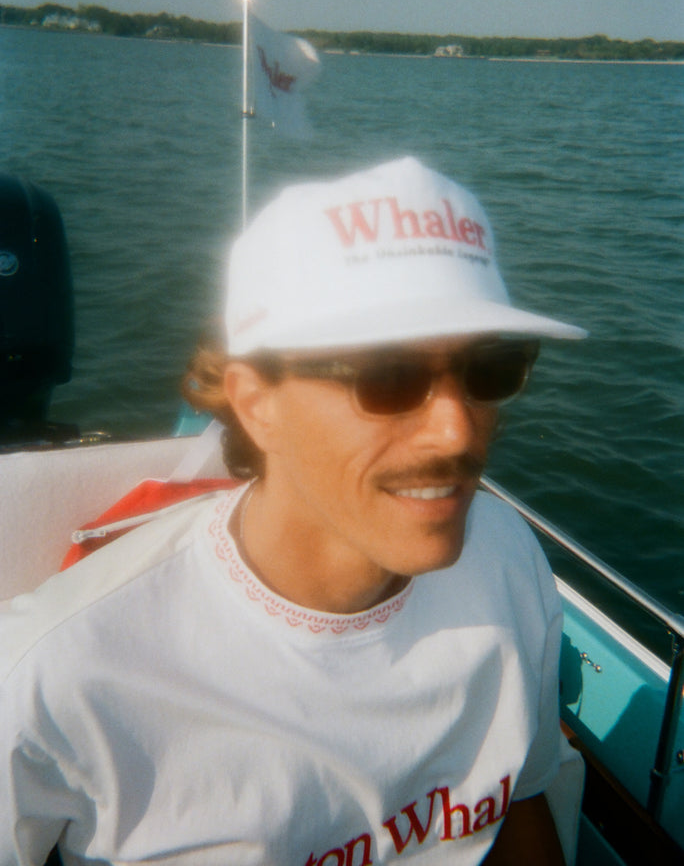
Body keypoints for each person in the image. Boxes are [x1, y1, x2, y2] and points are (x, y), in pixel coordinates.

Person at [1, 157, 586, 865]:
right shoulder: (53, 679)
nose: (459, 432)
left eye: (489, 369)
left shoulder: (507, 557)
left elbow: (518, 795)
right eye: (389, 378)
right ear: (257, 404)